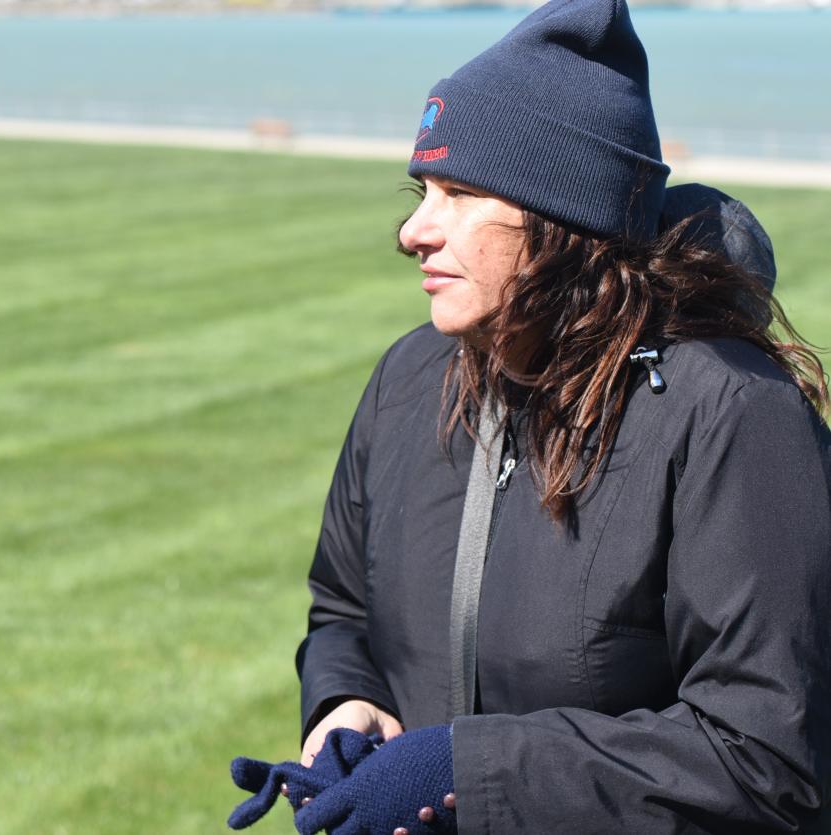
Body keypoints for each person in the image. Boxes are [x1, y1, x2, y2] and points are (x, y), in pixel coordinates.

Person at [228, 0, 831, 832]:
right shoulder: (410, 376)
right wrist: (345, 704)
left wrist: (464, 773)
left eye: (461, 192)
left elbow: (769, 763)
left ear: (565, 221)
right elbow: (343, 609)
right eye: (421, 190)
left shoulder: (735, 415)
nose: (412, 229)